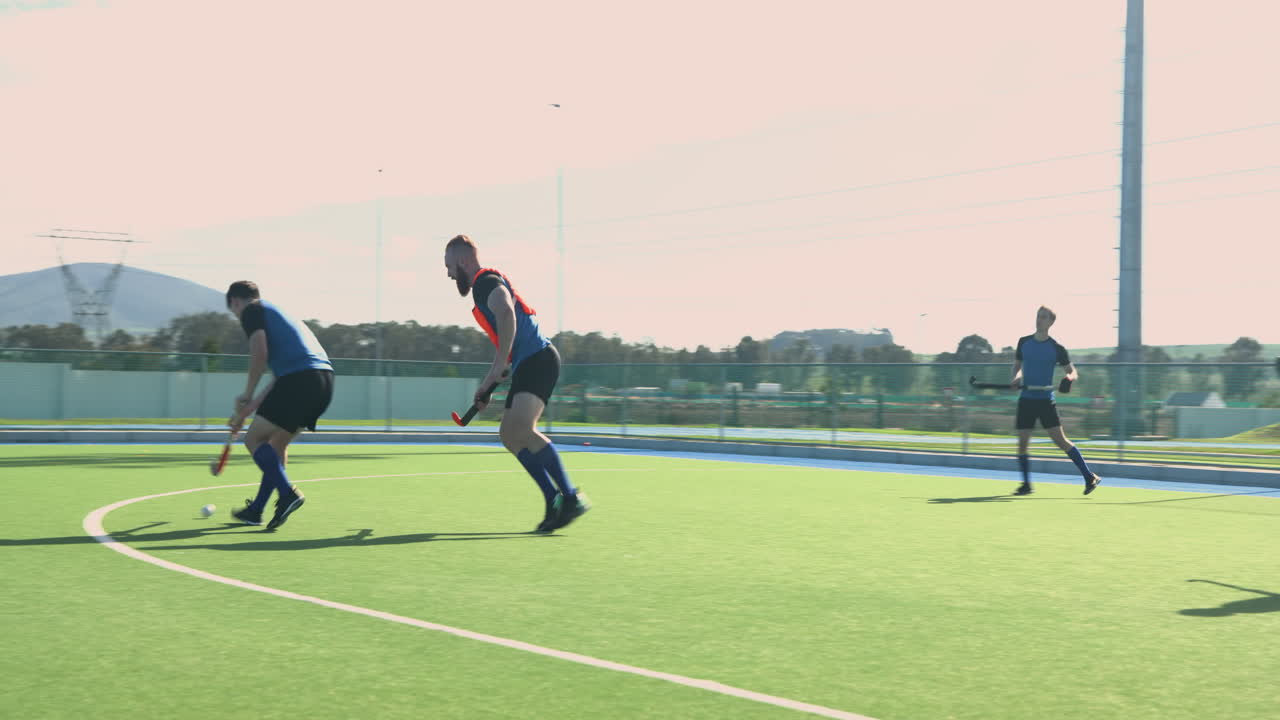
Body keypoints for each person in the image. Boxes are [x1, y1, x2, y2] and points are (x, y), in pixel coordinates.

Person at [444, 234, 590, 532]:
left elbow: (507, 311)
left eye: (449, 266)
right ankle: (554, 500)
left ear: (462, 261)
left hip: (539, 359)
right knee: (510, 434)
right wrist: (487, 386)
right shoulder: (482, 286)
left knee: (521, 429)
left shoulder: (485, 282)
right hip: (527, 363)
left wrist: (498, 364)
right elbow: (507, 350)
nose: (448, 274)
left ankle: (570, 496)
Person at [224, 281, 335, 530]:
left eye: (234, 312)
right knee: (276, 445)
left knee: (253, 440)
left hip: (299, 380)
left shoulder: (252, 310)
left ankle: (288, 494)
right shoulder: (277, 314)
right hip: (323, 382)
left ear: (235, 302)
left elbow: (259, 354)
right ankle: (256, 511)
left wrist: (246, 393)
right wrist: (247, 409)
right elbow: (276, 380)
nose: (238, 316)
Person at [1010, 306, 1101, 496]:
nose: (1039, 320)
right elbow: (1017, 367)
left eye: (1043, 317)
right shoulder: (1023, 342)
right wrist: (1016, 378)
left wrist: (1069, 379)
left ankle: (1089, 476)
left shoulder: (1056, 348)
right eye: (1038, 316)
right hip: (1026, 399)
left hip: (1045, 401)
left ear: (1051, 322)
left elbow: (1072, 371)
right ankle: (1026, 485)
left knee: (1060, 440)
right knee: (1022, 443)